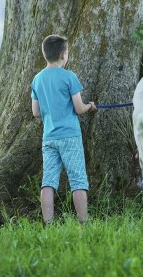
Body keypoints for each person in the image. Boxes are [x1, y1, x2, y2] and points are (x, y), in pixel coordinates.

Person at [31, 34, 96, 224]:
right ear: (64, 55)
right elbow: (79, 108)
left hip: (49, 137)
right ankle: (84, 223)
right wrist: (90, 106)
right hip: (69, 136)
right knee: (77, 180)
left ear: (45, 54)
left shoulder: (37, 79)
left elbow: (35, 112)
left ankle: (48, 223)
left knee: (49, 180)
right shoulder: (69, 77)